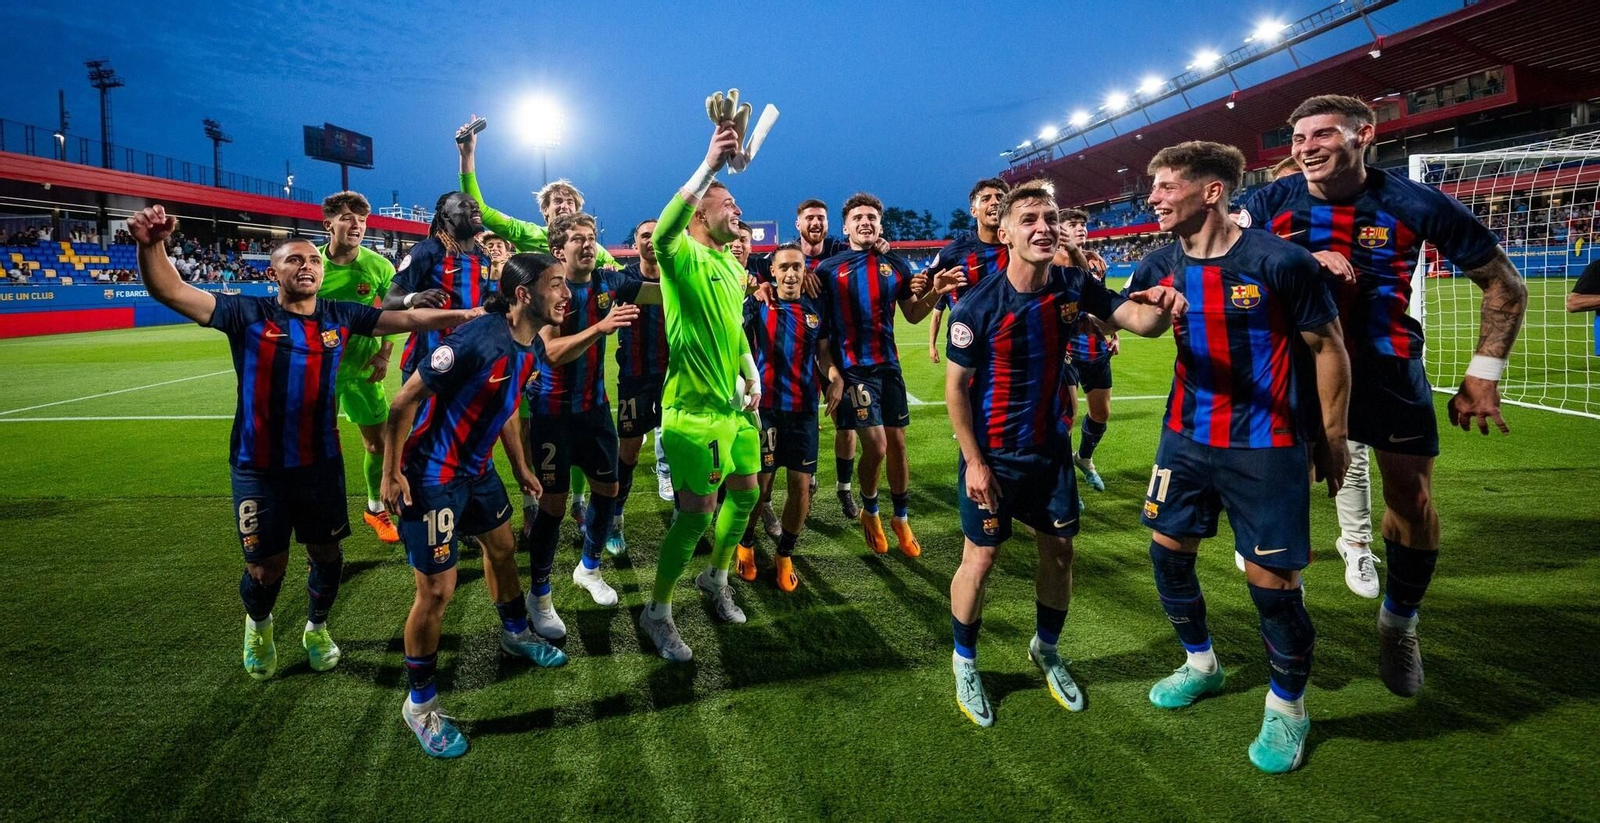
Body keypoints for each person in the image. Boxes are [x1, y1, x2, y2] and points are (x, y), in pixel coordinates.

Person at [1240, 95, 1527, 697]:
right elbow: (1218, 264)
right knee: (1271, 504)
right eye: (1298, 137)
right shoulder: (1267, 203)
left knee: (1413, 501)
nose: (1306, 146)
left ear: (1363, 135)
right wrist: (1295, 256)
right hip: (1294, 370)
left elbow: (1504, 283)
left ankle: (1399, 624)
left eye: (1322, 134)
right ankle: (1289, 656)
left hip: (1388, 367)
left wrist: (1483, 374)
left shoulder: (1414, 203)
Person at [124, 204, 480, 682]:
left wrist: (471, 313)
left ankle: (317, 627)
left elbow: (410, 320)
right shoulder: (245, 313)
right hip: (258, 467)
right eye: (293, 260)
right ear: (274, 272)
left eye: (312, 260)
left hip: (319, 465)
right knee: (265, 570)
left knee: (327, 557)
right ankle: (259, 625)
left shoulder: (339, 315)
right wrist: (152, 246)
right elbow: (171, 290)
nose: (306, 265)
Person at [1130, 141, 1350, 774]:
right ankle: (1202, 662)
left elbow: (1328, 347)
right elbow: (1126, 321)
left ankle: (1288, 708)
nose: (1154, 197)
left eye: (1167, 186)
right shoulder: (1156, 264)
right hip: (1184, 437)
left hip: (1267, 445)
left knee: (1274, 589)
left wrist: (1331, 437)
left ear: (1212, 191)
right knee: (1166, 556)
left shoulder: (1279, 261)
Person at [944, 179, 1184, 728]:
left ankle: (1046, 649)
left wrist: (1165, 298)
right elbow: (956, 390)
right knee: (980, 559)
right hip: (994, 457)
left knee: (1060, 552)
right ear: (1003, 233)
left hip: (1050, 453)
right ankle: (964, 661)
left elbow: (1142, 323)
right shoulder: (976, 307)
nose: (1043, 227)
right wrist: (976, 463)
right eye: (1029, 218)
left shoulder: (1076, 285)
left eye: (1050, 218)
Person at [383, 253, 571, 758]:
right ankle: (420, 706)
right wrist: (391, 472)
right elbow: (404, 401)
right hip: (433, 477)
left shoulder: (529, 345)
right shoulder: (475, 340)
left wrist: (520, 467)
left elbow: (505, 407)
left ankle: (514, 633)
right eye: (556, 285)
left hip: (478, 471)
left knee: (504, 547)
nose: (566, 293)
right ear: (524, 294)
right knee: (438, 591)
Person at [637, 106, 767, 662]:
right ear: (699, 215)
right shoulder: (683, 253)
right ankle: (657, 612)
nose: (736, 207)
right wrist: (708, 164)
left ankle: (715, 579)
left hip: (735, 409)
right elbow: (663, 232)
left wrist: (750, 370)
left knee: (748, 494)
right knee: (695, 513)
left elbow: (734, 327)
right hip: (691, 413)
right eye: (725, 202)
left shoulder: (734, 264)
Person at [520, 213, 644, 633]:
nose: (587, 245)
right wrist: (602, 327)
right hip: (552, 413)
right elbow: (551, 353)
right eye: (577, 239)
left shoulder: (609, 283)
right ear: (559, 250)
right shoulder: (549, 291)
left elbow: (660, 290)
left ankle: (588, 568)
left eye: (591, 238)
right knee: (552, 507)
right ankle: (539, 593)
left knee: (607, 490)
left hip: (595, 410)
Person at [816, 192, 952, 558]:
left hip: (888, 366)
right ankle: (871, 508)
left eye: (872, 217)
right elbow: (820, 330)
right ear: (845, 227)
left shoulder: (897, 266)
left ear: (879, 224)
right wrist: (828, 372)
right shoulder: (828, 270)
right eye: (858, 217)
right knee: (876, 446)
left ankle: (902, 517)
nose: (865, 222)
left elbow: (912, 313)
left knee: (899, 444)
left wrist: (936, 293)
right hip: (852, 369)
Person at [735, 243, 842, 591]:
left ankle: (784, 554)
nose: (792, 273)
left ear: (805, 271)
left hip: (803, 410)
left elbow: (823, 354)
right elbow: (732, 337)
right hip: (764, 409)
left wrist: (835, 376)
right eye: (785, 268)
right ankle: (747, 543)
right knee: (760, 487)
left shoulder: (816, 307)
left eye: (798, 266)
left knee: (800, 487)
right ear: (774, 273)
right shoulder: (757, 303)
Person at [317, 191, 403, 544]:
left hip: (362, 367)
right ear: (329, 224)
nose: (356, 226)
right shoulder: (310, 263)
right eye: (348, 218)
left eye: (362, 220)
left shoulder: (380, 266)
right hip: (317, 369)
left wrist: (384, 354)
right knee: (314, 449)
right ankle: (321, 522)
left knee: (376, 445)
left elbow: (394, 313)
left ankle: (374, 509)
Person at [610, 218, 673, 552]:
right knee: (629, 449)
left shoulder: (678, 273)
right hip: (633, 376)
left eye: (656, 234)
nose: (651, 240)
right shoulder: (623, 278)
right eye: (644, 235)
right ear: (636, 244)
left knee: (678, 443)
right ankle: (615, 519)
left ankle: (682, 510)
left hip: (675, 375)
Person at [381, 191, 489, 381]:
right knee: (419, 411)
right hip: (427, 357)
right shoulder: (428, 250)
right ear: (446, 215)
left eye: (475, 205)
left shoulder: (484, 256)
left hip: (470, 356)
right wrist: (414, 298)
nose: (474, 208)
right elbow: (389, 301)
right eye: (464, 205)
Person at [1059, 207, 1118, 493]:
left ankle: (1084, 458)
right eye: (1073, 224)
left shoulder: (1097, 262)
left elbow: (1101, 300)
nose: (1081, 228)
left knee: (1101, 413)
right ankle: (1062, 480)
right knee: (1066, 415)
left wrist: (1114, 333)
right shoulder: (1051, 261)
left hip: (1094, 345)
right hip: (1064, 347)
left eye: (1083, 224)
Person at [927, 177, 1011, 363]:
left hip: (1013, 342)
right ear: (973, 211)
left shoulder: (1021, 245)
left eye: (1000, 197)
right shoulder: (955, 251)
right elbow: (921, 288)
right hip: (968, 343)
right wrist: (935, 290)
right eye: (986, 198)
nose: (995, 202)